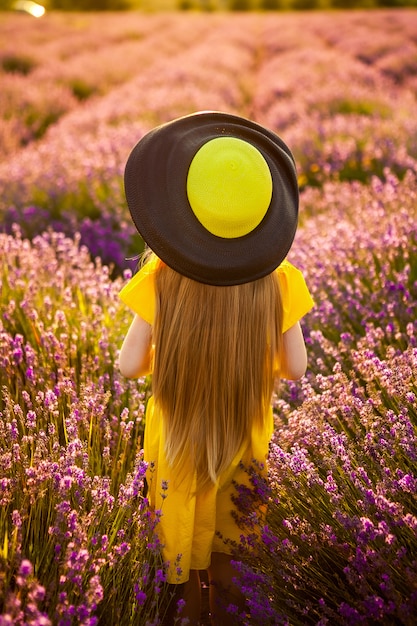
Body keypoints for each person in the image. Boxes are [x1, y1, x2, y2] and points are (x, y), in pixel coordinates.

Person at [118, 111, 314, 625]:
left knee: (176, 562)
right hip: (243, 436)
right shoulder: (281, 280)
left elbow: (128, 364)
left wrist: (176, 358)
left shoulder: (162, 277)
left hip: (178, 439)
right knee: (234, 560)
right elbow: (296, 367)